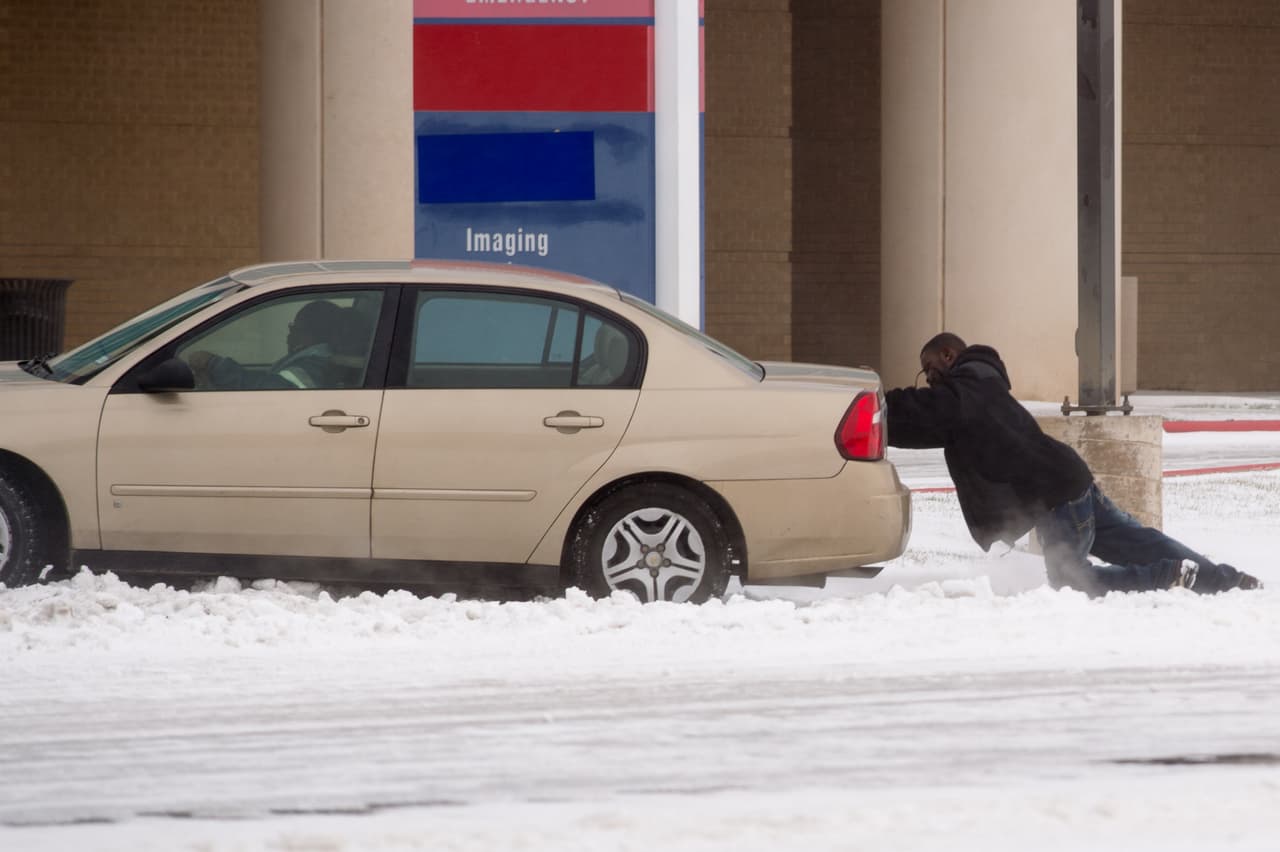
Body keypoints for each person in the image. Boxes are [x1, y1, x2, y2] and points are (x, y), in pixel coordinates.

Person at [885, 332, 1261, 596]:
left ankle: (1169, 576)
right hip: (1070, 480)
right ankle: (1225, 581)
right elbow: (925, 424)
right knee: (1143, 543)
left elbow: (921, 412)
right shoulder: (980, 388)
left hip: (1055, 497)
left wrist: (876, 405)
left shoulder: (964, 395)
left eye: (929, 367)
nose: (927, 378)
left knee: (1071, 583)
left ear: (949, 355)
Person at [187, 300, 345, 390]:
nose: (289, 334)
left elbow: (273, 387)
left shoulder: (315, 364)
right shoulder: (313, 360)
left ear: (311, 332)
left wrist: (215, 365)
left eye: (294, 328)